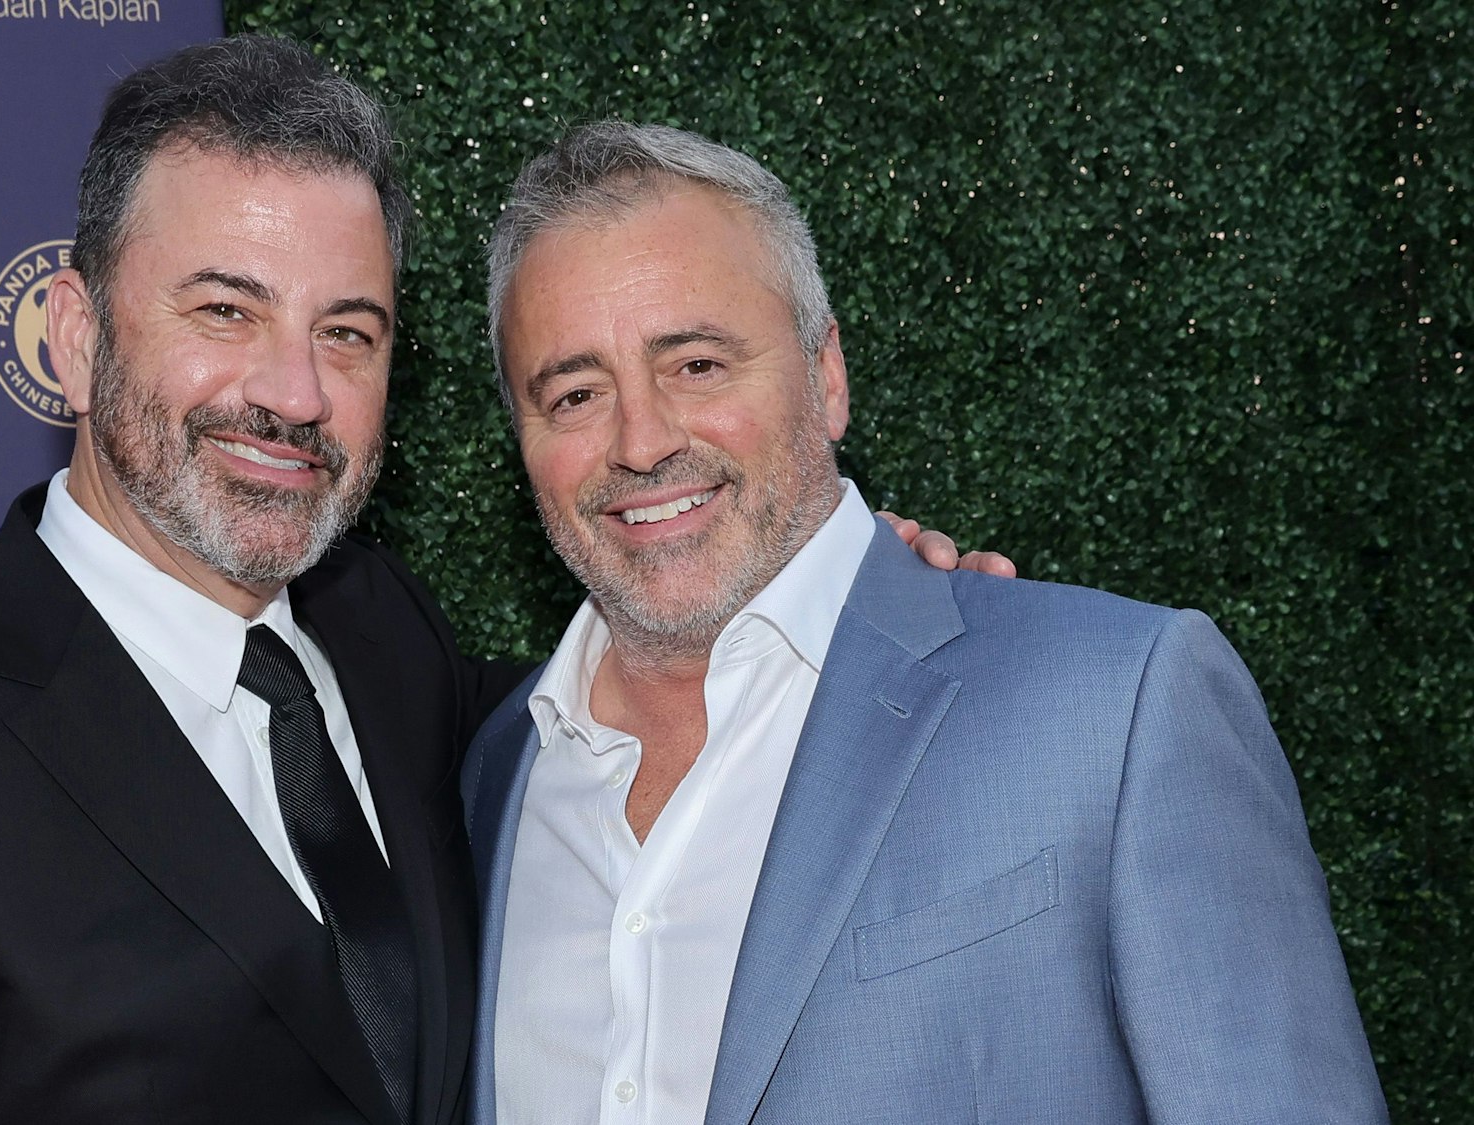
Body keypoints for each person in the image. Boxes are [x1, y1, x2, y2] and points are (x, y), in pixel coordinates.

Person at [0, 36, 991, 1125]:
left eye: (347, 332)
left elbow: (659, 713)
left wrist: (826, 588)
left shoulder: (387, 641)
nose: (295, 392)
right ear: (77, 338)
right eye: (225, 311)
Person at [462, 121, 1388, 1125]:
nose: (639, 441)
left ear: (825, 377)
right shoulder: (487, 779)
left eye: (695, 365)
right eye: (574, 393)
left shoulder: (1119, 706)